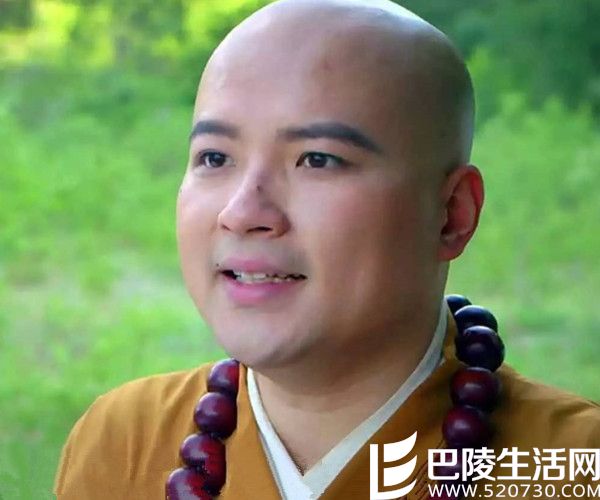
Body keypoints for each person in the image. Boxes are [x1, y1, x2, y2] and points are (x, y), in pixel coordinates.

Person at [54, 0, 600, 499]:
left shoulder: (573, 468)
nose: (242, 212)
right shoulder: (125, 444)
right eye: (215, 158)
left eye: (317, 159)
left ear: (451, 214)